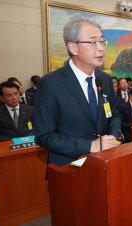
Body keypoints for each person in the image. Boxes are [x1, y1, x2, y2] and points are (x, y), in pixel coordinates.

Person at [34, 17, 121, 167]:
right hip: (69, 168)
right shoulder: (50, 84)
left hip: (105, 161)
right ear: (73, 48)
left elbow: (114, 114)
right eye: (93, 42)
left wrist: (112, 137)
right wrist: (90, 146)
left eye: (102, 41)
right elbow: (45, 136)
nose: (101, 47)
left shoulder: (105, 79)